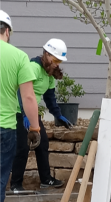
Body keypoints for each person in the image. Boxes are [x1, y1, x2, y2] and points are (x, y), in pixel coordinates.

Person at [10, 38, 73, 191]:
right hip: (18, 112)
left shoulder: (48, 72)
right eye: (56, 59)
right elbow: (21, 91)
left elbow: (50, 98)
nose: (57, 63)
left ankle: (46, 179)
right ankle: (15, 184)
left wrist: (58, 115)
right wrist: (25, 114)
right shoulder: (34, 67)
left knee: (42, 143)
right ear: (46, 53)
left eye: (60, 61)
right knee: (22, 148)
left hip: (31, 112)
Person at [0, 10, 40, 202]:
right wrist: (34, 128)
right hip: (4, 128)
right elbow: (28, 97)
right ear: (7, 31)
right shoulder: (19, 57)